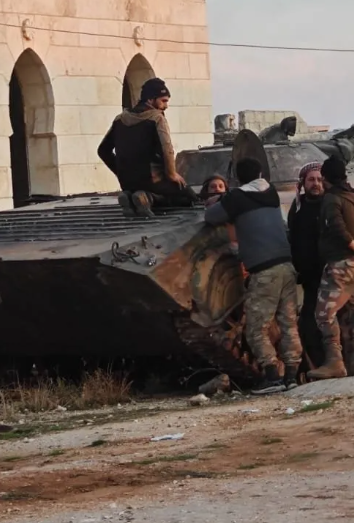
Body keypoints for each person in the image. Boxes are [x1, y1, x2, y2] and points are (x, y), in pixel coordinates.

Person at [204, 158, 302, 395]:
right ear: (259, 173)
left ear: (237, 178)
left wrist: (218, 200)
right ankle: (291, 375)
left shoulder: (236, 198)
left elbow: (211, 217)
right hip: (286, 265)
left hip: (263, 270)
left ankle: (272, 375)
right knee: (288, 322)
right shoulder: (271, 193)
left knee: (256, 328)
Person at [311, 155, 354, 379]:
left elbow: (338, 229)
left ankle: (335, 362)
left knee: (324, 314)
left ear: (326, 178)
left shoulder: (332, 199)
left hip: (341, 263)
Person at [97, 78, 197, 218]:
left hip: (127, 182)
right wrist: (172, 174)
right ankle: (148, 198)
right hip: (153, 181)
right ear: (150, 99)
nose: (166, 106)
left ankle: (130, 196)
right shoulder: (156, 118)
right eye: (163, 101)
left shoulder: (119, 119)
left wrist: (120, 172)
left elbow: (102, 151)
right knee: (188, 198)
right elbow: (167, 149)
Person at [286, 162, 327, 370]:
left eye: (319, 179)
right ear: (303, 183)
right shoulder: (298, 206)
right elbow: (292, 236)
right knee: (310, 321)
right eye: (311, 179)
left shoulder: (330, 204)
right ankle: (318, 363)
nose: (316, 184)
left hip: (331, 274)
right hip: (310, 275)